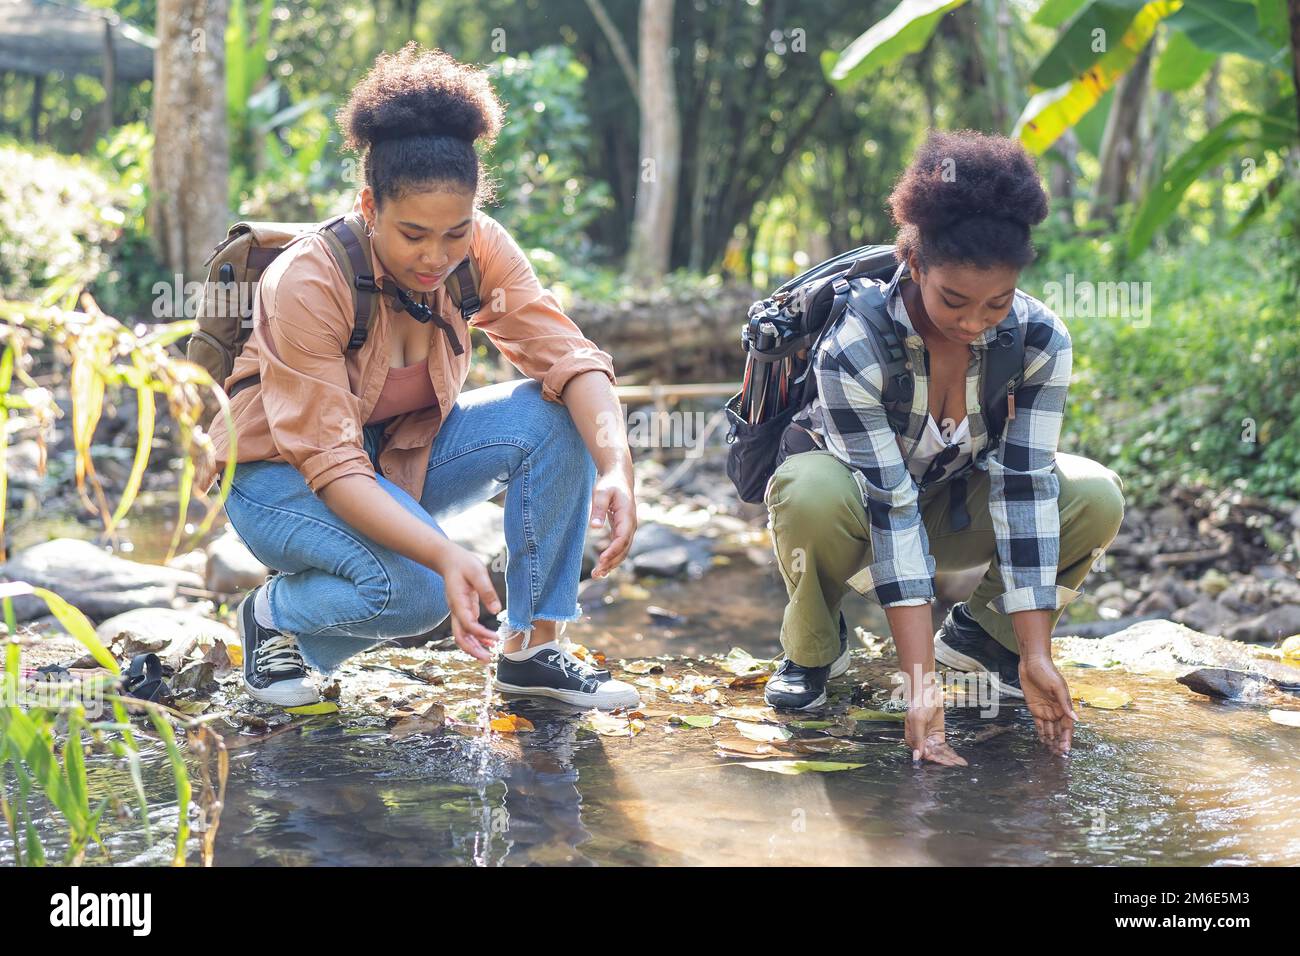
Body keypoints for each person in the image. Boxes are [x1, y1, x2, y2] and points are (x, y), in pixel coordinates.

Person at [201, 44, 640, 711]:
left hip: (395, 460)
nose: (436, 257)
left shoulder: (480, 249)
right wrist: (442, 554)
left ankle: (534, 651)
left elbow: (572, 359)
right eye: (412, 235)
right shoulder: (309, 280)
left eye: (454, 233)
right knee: (417, 594)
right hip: (278, 476)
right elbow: (335, 464)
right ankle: (273, 617)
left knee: (554, 416)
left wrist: (615, 466)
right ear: (369, 204)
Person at [762, 129, 1125, 764]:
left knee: (1093, 493)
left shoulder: (1039, 339)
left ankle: (986, 642)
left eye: (997, 303)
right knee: (808, 489)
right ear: (914, 264)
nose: (973, 322)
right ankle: (815, 650)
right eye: (953, 300)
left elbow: (1024, 484)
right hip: (860, 522)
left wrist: (1036, 652)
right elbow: (890, 505)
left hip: (959, 513)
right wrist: (920, 685)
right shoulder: (857, 345)